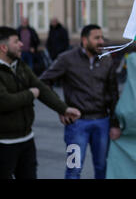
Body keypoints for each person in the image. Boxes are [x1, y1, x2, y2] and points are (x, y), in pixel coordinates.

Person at [40, 24, 121, 179]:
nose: (101, 41)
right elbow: (43, 82)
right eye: (96, 38)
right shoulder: (66, 59)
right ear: (84, 40)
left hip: (102, 123)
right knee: (74, 169)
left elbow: (113, 93)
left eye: (102, 37)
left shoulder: (106, 59)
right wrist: (61, 108)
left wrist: (114, 124)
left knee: (102, 167)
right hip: (76, 126)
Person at [0, 27, 80, 179]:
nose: (22, 44)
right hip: (4, 143)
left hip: (26, 140)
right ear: (3, 47)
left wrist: (63, 109)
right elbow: (5, 101)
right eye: (16, 41)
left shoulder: (20, 65)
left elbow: (41, 88)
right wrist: (31, 94)